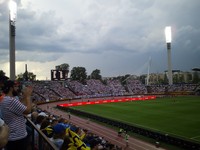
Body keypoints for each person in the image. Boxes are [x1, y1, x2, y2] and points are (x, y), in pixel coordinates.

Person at [0, 80, 33, 150]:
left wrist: (24, 97)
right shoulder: (11, 101)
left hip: (11, 136)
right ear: (11, 88)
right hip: (18, 137)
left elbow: (20, 107)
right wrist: (28, 96)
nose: (18, 88)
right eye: (16, 87)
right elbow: (28, 111)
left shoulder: (5, 99)